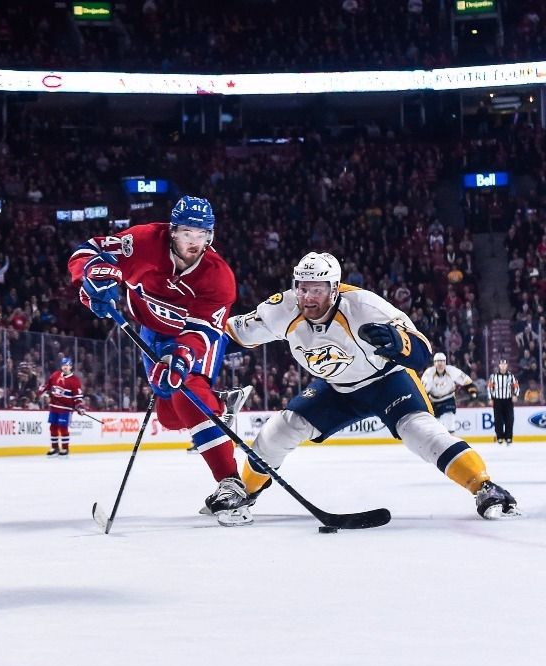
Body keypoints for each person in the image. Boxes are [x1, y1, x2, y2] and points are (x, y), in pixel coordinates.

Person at [225, 252, 519, 520]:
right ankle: (245, 493)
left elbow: (421, 352)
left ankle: (484, 487)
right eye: (303, 288)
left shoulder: (365, 307)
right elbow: (228, 335)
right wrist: (193, 349)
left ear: (335, 288)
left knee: (422, 433)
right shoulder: (282, 309)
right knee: (280, 429)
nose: (308, 298)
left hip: (387, 381)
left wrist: (398, 343)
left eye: (317, 289)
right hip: (337, 387)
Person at [69, 196, 253, 525]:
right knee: (169, 417)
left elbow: (202, 333)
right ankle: (219, 403)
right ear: (172, 231)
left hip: (194, 338)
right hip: (151, 332)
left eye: (202, 235)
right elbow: (86, 251)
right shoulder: (141, 242)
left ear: (211, 236)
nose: (194, 242)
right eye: (186, 233)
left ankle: (230, 484)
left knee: (187, 391)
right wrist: (90, 280)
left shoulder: (218, 277)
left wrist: (181, 357)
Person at [36, 356, 85, 457]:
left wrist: (79, 406)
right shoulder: (55, 375)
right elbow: (47, 385)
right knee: (53, 427)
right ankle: (55, 447)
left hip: (66, 409)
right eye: (63, 365)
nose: (65, 367)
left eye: (67, 365)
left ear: (71, 366)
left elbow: (78, 397)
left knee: (63, 428)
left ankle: (65, 448)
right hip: (54, 407)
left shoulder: (75, 380)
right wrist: (41, 390)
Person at [421, 352, 477, 433]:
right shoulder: (428, 373)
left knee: (449, 420)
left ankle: (451, 443)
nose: (440, 363)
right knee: (437, 426)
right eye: (437, 361)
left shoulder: (452, 371)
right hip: (434, 402)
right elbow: (423, 391)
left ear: (445, 362)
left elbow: (466, 381)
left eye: (442, 361)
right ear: (434, 363)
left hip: (448, 399)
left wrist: (472, 391)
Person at [487, 358, 519, 445]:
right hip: (497, 400)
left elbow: (516, 386)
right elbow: (489, 387)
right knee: (498, 419)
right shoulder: (493, 376)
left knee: (510, 419)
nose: (503, 366)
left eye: (505, 364)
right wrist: (490, 398)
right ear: (499, 366)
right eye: (501, 364)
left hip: (508, 400)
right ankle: (500, 437)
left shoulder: (511, 376)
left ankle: (508, 437)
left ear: (507, 365)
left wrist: (515, 395)